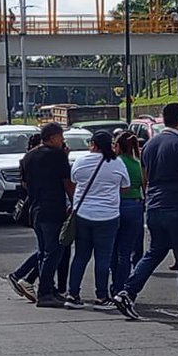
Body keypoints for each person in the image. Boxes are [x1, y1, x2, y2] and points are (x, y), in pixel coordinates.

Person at [114, 103, 178, 322]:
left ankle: (127, 292)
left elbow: (145, 178)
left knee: (154, 252)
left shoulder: (150, 145)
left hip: (155, 206)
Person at [9, 123, 74, 308]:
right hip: (54, 208)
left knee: (44, 250)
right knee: (54, 251)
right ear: (53, 137)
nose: (62, 140)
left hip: (36, 209)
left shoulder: (28, 157)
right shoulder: (57, 155)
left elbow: (25, 185)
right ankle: (45, 291)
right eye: (61, 136)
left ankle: (49, 288)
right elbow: (67, 182)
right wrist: (74, 203)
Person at [65, 130, 129, 310]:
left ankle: (73, 294)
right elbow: (125, 187)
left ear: (93, 144)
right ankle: (101, 297)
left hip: (83, 214)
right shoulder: (117, 163)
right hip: (108, 216)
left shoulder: (80, 161)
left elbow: (74, 180)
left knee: (80, 256)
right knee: (103, 258)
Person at [111, 131, 145, 296]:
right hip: (135, 205)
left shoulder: (114, 163)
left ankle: (113, 285)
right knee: (125, 252)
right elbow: (145, 185)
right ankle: (122, 287)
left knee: (112, 248)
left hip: (115, 205)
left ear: (117, 146)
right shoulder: (137, 163)